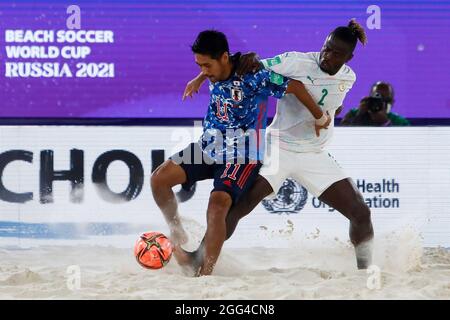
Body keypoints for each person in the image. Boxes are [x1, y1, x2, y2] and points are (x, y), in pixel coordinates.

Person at [182, 20, 375, 271]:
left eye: (336, 53)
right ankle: (198, 258)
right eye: (326, 48)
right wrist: (200, 77)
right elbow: (245, 66)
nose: (327, 56)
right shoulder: (296, 61)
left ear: (348, 57)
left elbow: (333, 102)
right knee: (239, 207)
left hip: (314, 153)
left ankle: (365, 272)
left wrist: (329, 114)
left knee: (361, 213)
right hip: (279, 148)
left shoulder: (348, 78)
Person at [151, 30, 330, 276]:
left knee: (217, 205)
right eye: (199, 65)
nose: (204, 69)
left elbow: (296, 86)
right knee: (159, 179)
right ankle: (176, 231)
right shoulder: (215, 69)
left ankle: (205, 274)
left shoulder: (254, 76)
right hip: (209, 146)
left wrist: (320, 117)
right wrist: (199, 79)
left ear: (224, 57)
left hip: (242, 153)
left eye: (207, 65)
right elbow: (213, 70)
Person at [341, 81, 410, 126]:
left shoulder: (400, 122)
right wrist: (359, 116)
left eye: (386, 99)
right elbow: (342, 136)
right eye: (377, 98)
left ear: (392, 102)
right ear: (369, 98)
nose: (381, 102)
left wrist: (386, 123)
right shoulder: (353, 113)